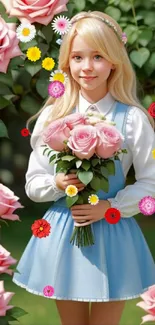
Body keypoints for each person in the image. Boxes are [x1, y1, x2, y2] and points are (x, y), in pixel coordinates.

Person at [12, 10, 155, 325]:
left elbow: (151, 184)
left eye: (98, 57)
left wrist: (111, 206)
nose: (87, 67)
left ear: (114, 61)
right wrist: (59, 183)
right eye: (77, 57)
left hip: (115, 231)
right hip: (64, 233)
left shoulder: (133, 119)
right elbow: (34, 183)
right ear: (66, 62)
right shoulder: (53, 116)